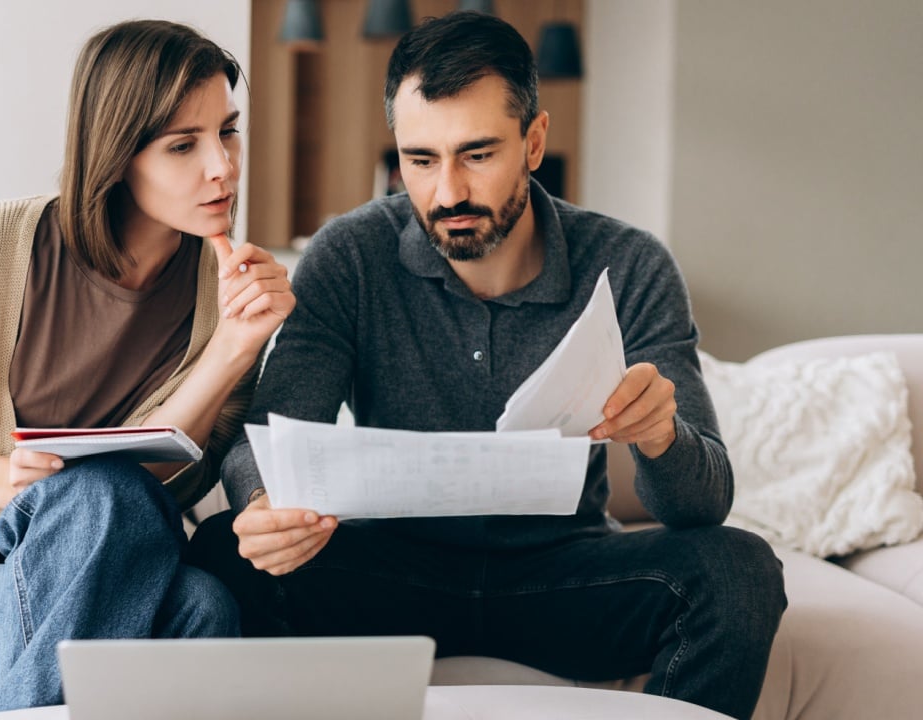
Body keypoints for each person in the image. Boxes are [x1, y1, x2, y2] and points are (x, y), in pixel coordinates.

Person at [189, 11, 785, 720]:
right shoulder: (350, 255)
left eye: (477, 154)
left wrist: (661, 436)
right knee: (226, 553)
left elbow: (702, 503)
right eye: (420, 160)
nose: (446, 194)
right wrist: (262, 506)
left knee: (739, 570)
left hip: (563, 576)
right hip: (391, 571)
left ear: (534, 141)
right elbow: (273, 431)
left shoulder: (630, 264)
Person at [0, 20, 295, 720]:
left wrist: (234, 348)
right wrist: (7, 480)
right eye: (183, 145)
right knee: (98, 496)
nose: (223, 166)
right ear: (116, 154)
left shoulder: (223, 295)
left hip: (116, 576)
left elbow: (175, 484)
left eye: (227, 132)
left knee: (204, 603)